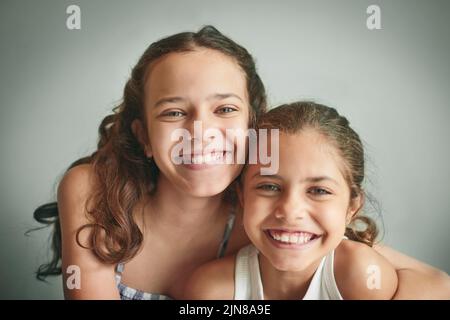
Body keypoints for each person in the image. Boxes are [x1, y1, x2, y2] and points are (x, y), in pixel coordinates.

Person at [34, 27, 450, 300]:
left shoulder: (265, 216)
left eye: (226, 110)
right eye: (174, 113)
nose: (202, 133)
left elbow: (434, 283)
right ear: (143, 136)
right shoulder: (92, 189)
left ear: (255, 128)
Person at [183, 101, 449, 299]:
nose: (290, 210)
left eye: (319, 191)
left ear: (352, 207)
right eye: (269, 186)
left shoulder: (359, 275)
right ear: (242, 197)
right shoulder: (214, 290)